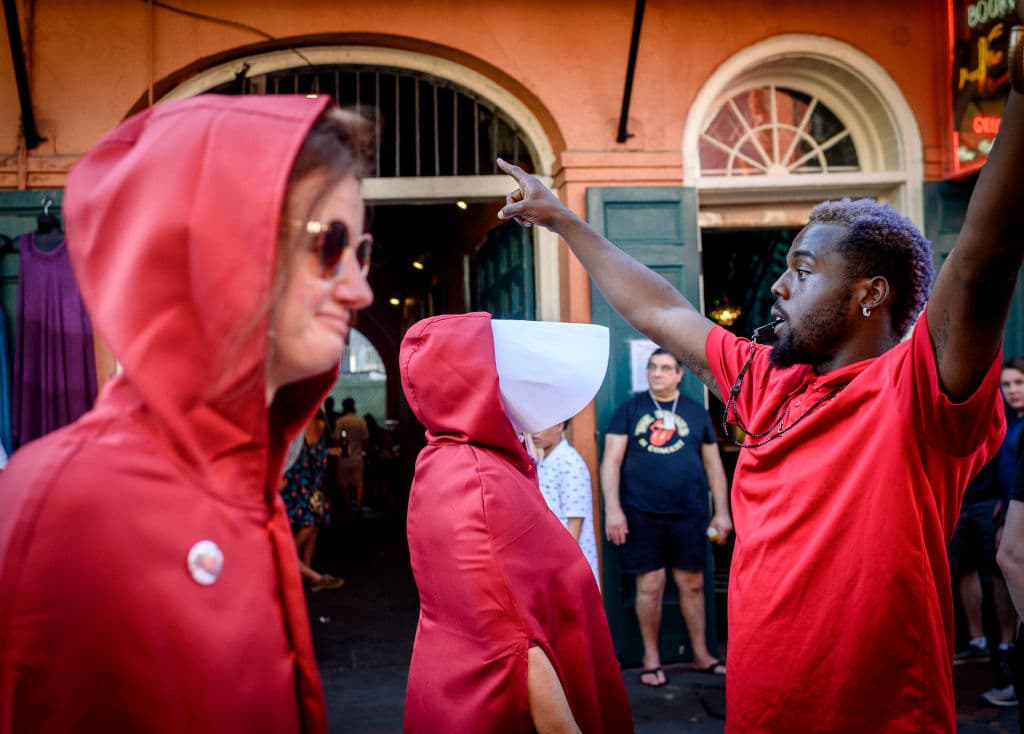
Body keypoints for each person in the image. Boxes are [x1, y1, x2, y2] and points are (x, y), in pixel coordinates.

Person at [496, 88, 1022, 732]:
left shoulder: (916, 391)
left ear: (870, 293)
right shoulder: (762, 378)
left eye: (802, 270)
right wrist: (564, 222)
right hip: (759, 712)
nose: (778, 285)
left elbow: (982, 261)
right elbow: (662, 312)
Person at [0, 95, 375, 732]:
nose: (360, 288)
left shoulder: (249, 487)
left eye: (359, 250)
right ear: (219, 247)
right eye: (328, 244)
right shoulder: (68, 504)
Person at [401, 313, 633, 733]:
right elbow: (512, 645)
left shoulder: (443, 461)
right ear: (472, 380)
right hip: (497, 708)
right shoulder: (479, 481)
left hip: (452, 687)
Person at [601, 347, 731, 686]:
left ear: (679, 375)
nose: (656, 373)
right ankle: (651, 658)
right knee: (651, 585)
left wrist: (722, 512)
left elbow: (714, 465)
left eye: (664, 368)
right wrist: (613, 509)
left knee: (693, 584)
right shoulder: (629, 411)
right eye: (652, 367)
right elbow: (610, 463)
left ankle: (702, 654)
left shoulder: (695, 412)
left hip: (688, 514)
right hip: (640, 514)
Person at [529, 418, 601, 586]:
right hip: (551, 561)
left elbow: (575, 524)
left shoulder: (569, 462)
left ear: (559, 426)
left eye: (540, 426)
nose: (534, 433)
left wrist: (561, 568)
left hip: (569, 567)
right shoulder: (544, 462)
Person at [282, 410, 345, 592]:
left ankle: (304, 575)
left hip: (307, 481)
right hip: (303, 482)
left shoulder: (304, 421)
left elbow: (307, 451)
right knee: (310, 524)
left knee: (313, 526)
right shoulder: (312, 422)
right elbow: (306, 452)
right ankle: (292, 568)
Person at [332, 395, 369, 512]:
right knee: (359, 483)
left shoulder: (340, 422)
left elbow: (336, 439)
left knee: (345, 484)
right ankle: (358, 506)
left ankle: (347, 506)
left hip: (343, 458)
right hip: (358, 457)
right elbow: (366, 440)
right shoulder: (361, 421)